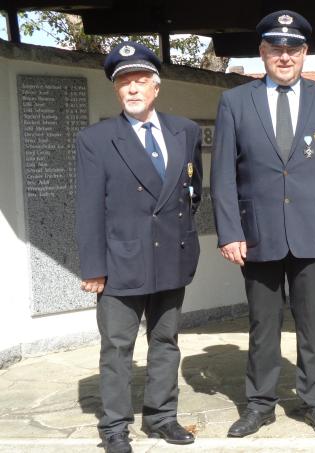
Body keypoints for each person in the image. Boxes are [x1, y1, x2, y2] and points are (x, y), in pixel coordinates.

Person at [211, 9, 315, 437]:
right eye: (276, 48)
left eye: (293, 49)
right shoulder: (235, 101)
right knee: (263, 325)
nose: (285, 56)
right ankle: (259, 404)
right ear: (262, 53)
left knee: (313, 323)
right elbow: (222, 174)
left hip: (313, 234)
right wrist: (230, 231)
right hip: (257, 235)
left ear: (305, 53)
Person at [75, 41, 202, 453]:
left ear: (156, 87)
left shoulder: (184, 131)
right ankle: (114, 426)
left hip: (170, 256)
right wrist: (93, 267)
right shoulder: (96, 139)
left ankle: (163, 417)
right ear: (116, 90)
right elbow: (89, 208)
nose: (132, 89)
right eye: (124, 82)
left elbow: (191, 190)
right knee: (117, 348)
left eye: (140, 80)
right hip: (120, 262)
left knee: (166, 343)